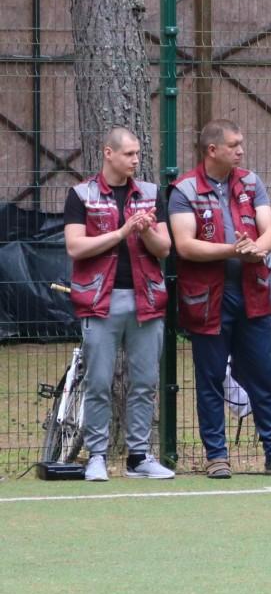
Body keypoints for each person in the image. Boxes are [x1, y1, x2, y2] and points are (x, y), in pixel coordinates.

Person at [169, 119, 271, 479]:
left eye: (241, 144)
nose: (241, 151)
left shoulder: (251, 182)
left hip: (253, 295)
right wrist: (234, 251)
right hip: (208, 300)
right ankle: (216, 456)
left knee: (263, 377)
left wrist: (256, 249)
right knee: (211, 379)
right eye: (234, 145)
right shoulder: (184, 189)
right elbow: (184, 246)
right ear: (212, 150)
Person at [63, 126, 174, 481]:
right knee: (98, 383)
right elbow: (75, 247)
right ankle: (96, 456)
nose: (136, 160)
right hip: (100, 302)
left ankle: (138, 457)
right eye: (129, 154)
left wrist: (146, 230)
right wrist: (122, 232)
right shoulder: (81, 194)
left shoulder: (151, 194)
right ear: (108, 153)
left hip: (146, 300)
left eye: (138, 153)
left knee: (145, 382)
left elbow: (164, 249)